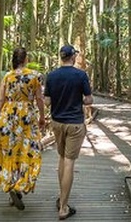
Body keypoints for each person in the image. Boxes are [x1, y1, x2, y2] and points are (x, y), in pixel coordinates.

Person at [0, 47, 46, 210]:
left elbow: (1, 99)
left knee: (9, 151)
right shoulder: (35, 76)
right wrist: (42, 117)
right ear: (26, 59)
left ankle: (11, 186)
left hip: (8, 116)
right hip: (27, 116)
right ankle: (21, 184)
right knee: (28, 149)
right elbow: (39, 99)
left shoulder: (7, 76)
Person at [44, 44, 93, 220]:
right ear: (72, 57)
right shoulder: (80, 75)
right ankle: (63, 207)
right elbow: (88, 100)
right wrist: (79, 98)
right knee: (69, 162)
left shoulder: (51, 75)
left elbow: (47, 102)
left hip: (57, 123)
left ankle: (61, 196)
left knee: (62, 158)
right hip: (74, 124)